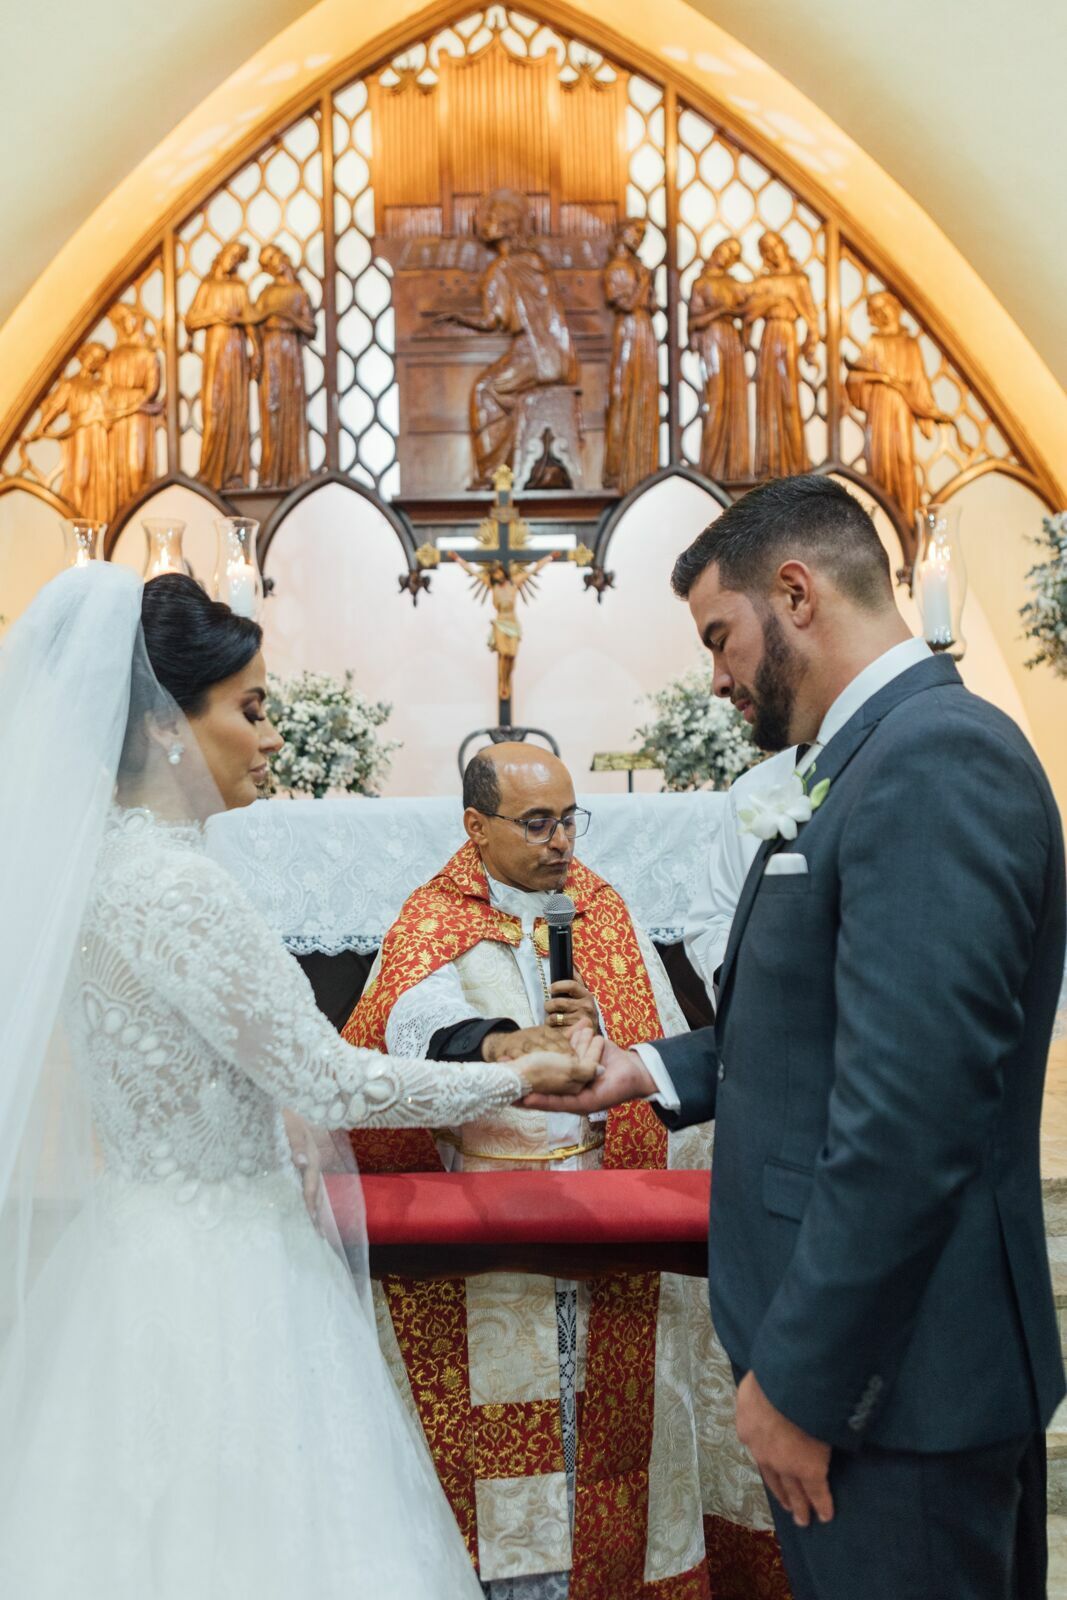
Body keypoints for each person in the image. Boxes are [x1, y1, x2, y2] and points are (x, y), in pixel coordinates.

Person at [0, 565, 598, 1598]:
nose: (273, 734)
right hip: (226, 1276)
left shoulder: (101, 872)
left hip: (131, 1252)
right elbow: (329, 1084)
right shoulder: (181, 888)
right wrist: (518, 1074)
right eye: (252, 707)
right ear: (160, 726)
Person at [527, 474, 1067, 1600]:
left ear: (795, 592)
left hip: (893, 1384)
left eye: (720, 637)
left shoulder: (931, 762)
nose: (716, 675)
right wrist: (653, 1068)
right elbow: (825, 1023)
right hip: (886, 1373)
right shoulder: (869, 755)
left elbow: (907, 1118)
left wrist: (803, 1383)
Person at [343, 743, 787, 1600]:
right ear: (476, 826)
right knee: (506, 1465)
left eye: (569, 819)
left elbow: (653, 1043)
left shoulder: (600, 909)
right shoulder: (431, 918)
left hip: (604, 1228)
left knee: (613, 1450)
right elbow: (417, 1025)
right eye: (537, 823)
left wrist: (601, 1026)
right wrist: (514, 1043)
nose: (560, 843)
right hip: (491, 1252)